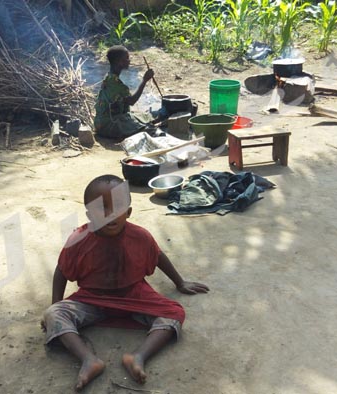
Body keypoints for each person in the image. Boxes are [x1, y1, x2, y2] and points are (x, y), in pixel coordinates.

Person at [42, 174, 209, 391]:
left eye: (118, 206)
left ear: (129, 212)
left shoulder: (141, 236)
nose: (111, 214)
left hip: (134, 294)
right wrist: (55, 305)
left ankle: (138, 357)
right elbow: (61, 271)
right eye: (102, 208)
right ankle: (88, 359)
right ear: (89, 214)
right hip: (91, 299)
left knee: (175, 313)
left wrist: (179, 282)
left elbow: (157, 256)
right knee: (53, 314)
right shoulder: (78, 240)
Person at [94, 45, 156, 140]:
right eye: (126, 58)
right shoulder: (115, 84)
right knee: (148, 130)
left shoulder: (109, 77)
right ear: (119, 62)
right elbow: (132, 101)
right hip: (108, 125)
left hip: (103, 121)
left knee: (144, 117)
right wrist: (144, 80)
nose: (129, 61)